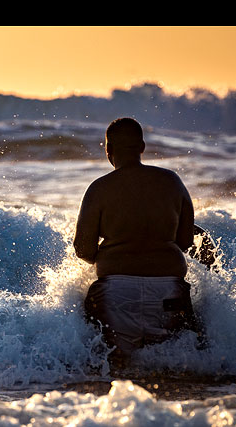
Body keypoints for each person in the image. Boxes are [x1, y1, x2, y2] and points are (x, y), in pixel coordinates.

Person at [73, 117, 204, 361]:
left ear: (108, 150)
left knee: (109, 361)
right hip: (169, 292)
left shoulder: (99, 188)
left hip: (115, 296)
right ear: (142, 147)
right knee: (182, 360)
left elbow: (83, 249)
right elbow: (185, 242)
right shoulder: (173, 182)